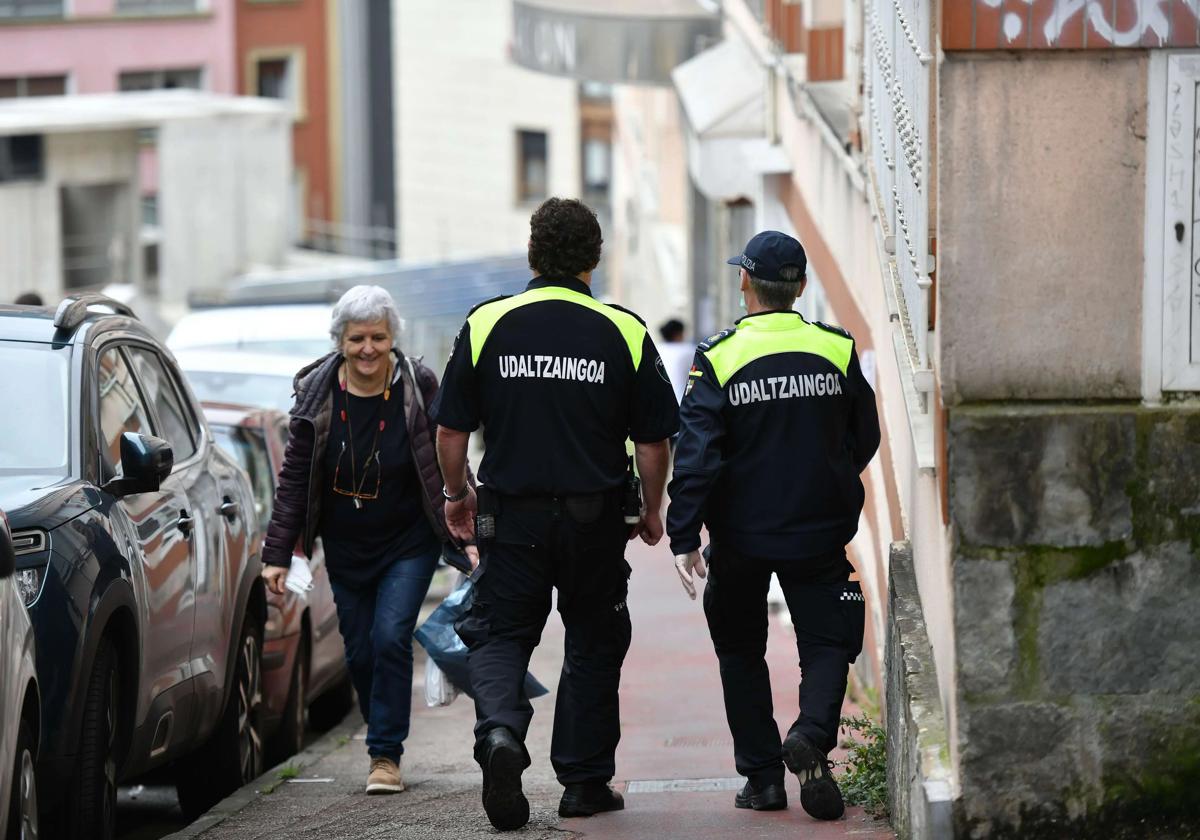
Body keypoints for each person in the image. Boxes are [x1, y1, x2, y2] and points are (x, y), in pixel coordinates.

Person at [433, 197, 679, 831]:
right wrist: (652, 510)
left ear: (533, 255)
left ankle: (502, 736)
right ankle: (584, 782)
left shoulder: (486, 324)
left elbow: (452, 429)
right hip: (595, 519)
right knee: (595, 638)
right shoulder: (623, 331)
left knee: (500, 633)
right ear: (594, 259)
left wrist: (457, 496)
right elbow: (654, 441)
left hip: (511, 517)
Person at [666, 231, 880, 820]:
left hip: (740, 536)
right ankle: (811, 732)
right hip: (817, 529)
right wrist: (828, 475)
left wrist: (684, 535)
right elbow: (865, 435)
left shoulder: (719, 355)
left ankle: (762, 779)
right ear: (802, 288)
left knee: (739, 649)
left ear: (745, 282)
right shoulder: (837, 349)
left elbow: (698, 454)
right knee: (829, 638)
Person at [260, 285, 475, 795]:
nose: (368, 349)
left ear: (392, 337)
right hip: (345, 545)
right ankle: (382, 735)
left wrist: (466, 521)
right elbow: (293, 479)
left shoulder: (417, 385)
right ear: (341, 341)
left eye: (378, 337)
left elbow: (448, 454)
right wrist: (276, 554)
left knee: (390, 637)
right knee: (357, 652)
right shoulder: (317, 394)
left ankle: (385, 754)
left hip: (408, 540)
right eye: (357, 338)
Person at [657, 318, 694, 404]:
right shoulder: (687, 350)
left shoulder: (657, 349)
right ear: (678, 334)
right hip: (681, 403)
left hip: (659, 403)